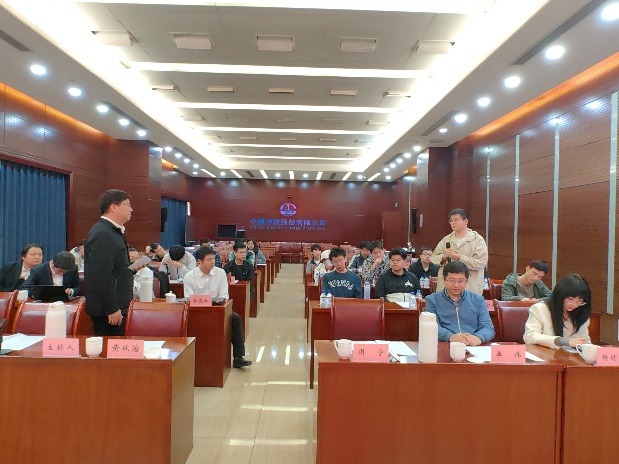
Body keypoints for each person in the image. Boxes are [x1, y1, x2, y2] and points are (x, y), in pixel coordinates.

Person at [184, 246, 252, 368]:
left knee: (236, 318)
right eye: (209, 259)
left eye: (213, 259)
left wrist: (215, 306)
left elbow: (224, 295)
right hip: (197, 311)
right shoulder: (190, 276)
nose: (212, 262)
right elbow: (189, 298)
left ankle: (238, 357)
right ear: (200, 261)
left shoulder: (220, 273)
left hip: (218, 309)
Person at [84, 189, 134, 336]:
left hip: (118, 305)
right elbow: (101, 275)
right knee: (111, 348)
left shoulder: (114, 232)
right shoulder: (103, 233)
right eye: (127, 204)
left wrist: (132, 268)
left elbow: (115, 268)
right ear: (113, 207)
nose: (131, 209)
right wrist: (112, 308)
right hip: (109, 311)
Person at [425, 261, 495, 346]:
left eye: (460, 281)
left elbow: (488, 327)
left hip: (472, 346)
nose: (456, 285)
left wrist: (479, 337)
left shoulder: (478, 299)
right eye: (452, 280)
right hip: (446, 345)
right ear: (444, 279)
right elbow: (430, 327)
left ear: (466, 281)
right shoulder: (432, 300)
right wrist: (450, 336)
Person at [523, 274, 591, 349]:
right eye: (570, 299)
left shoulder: (581, 312)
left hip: (570, 355)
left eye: (580, 301)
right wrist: (561, 341)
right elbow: (529, 337)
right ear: (560, 295)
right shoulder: (540, 309)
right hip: (545, 354)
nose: (574, 304)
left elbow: (585, 340)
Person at [431, 208, 488, 295]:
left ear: (465, 221)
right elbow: (434, 258)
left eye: (456, 220)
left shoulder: (477, 240)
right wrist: (444, 257)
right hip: (447, 287)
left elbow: (482, 262)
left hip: (470, 286)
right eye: (451, 220)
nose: (453, 223)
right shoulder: (446, 239)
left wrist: (461, 258)